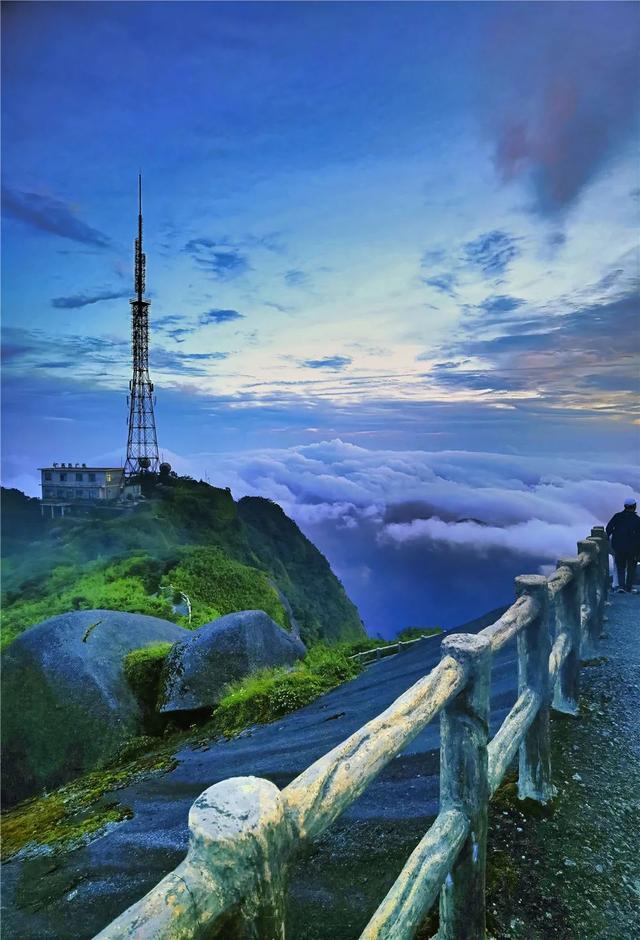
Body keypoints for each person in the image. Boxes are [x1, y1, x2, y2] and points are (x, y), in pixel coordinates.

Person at [606, 497, 640, 594]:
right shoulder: (637, 520)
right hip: (633, 548)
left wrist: (610, 537)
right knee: (631, 568)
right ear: (634, 507)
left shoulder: (617, 516)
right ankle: (628, 588)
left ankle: (621, 587)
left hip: (619, 546)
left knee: (620, 566)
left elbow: (608, 528)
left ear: (625, 506)